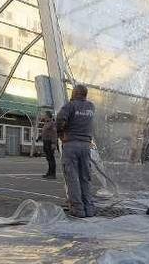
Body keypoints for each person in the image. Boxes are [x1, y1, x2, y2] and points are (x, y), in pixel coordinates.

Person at [55, 84, 96, 218]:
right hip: (86, 145)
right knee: (85, 177)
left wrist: (60, 133)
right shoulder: (91, 107)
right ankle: (88, 208)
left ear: (74, 93)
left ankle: (78, 209)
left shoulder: (70, 106)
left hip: (71, 144)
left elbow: (60, 120)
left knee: (72, 177)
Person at [37, 110, 58, 179]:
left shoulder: (52, 123)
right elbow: (44, 132)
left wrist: (54, 143)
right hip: (45, 142)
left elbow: (54, 134)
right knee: (48, 158)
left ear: (48, 116)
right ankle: (49, 173)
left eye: (45, 115)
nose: (43, 116)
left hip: (50, 142)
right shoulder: (46, 123)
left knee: (51, 158)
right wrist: (39, 137)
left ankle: (53, 174)